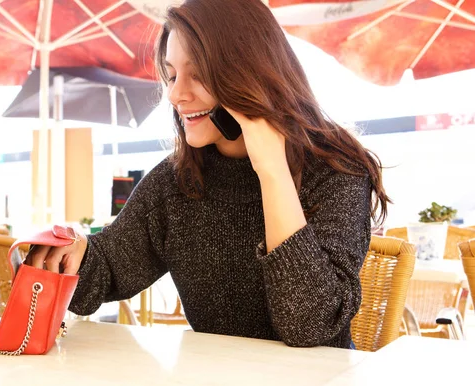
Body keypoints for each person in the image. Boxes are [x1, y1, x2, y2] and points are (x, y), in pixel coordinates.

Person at [25, 0, 390, 349]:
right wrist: (73, 255)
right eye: (170, 75)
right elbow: (109, 268)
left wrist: (272, 172)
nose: (175, 94)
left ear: (249, 73)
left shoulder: (336, 172)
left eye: (198, 74)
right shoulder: (176, 182)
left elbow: (309, 325)